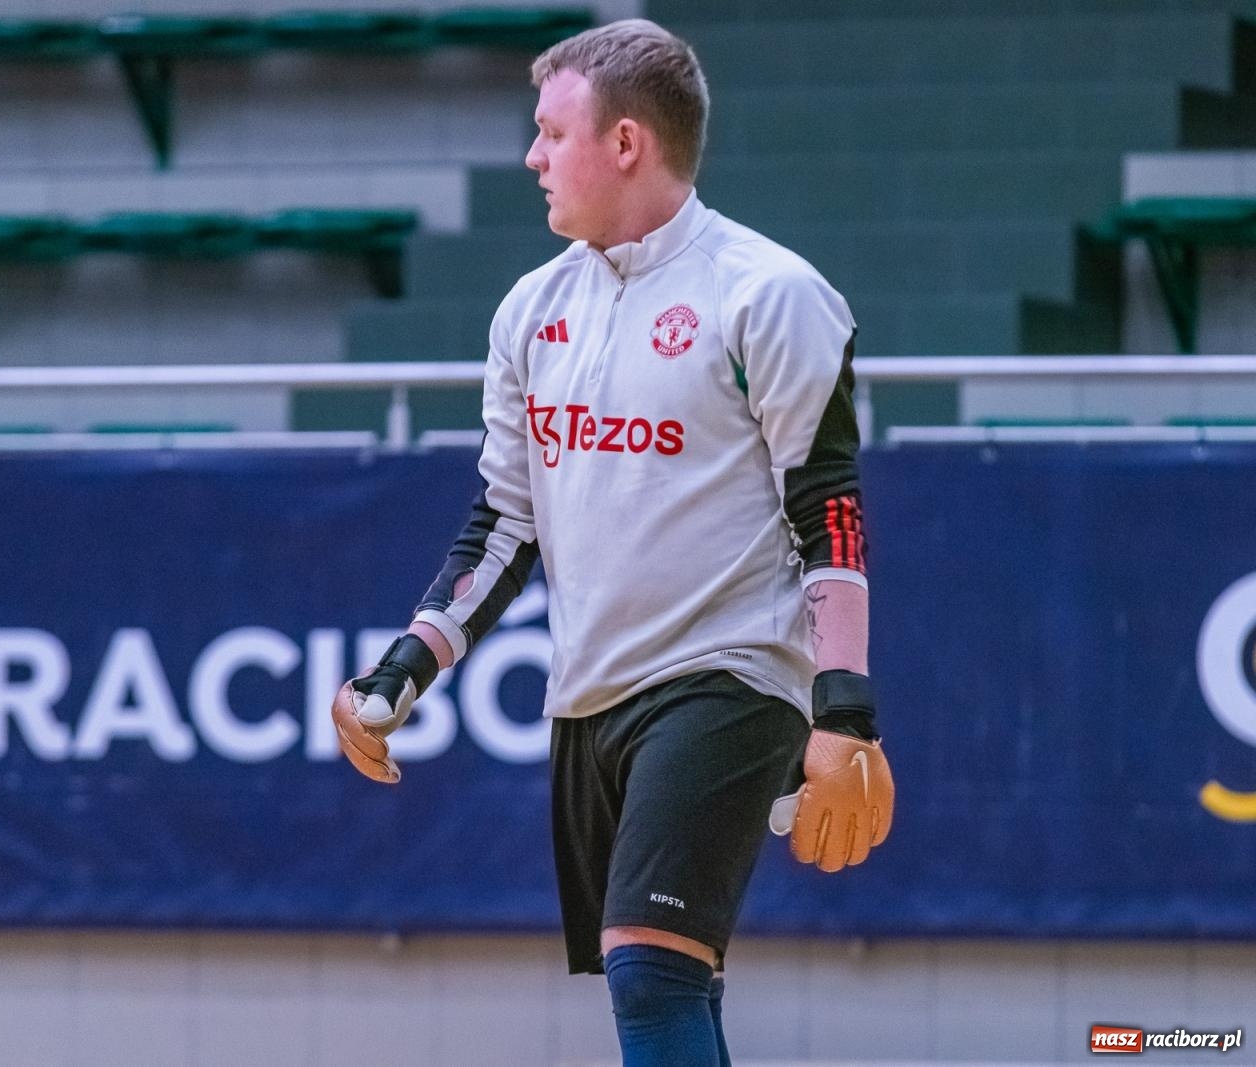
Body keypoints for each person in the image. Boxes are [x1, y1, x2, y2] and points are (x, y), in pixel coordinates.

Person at [332, 18, 895, 1067]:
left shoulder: (769, 294)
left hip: (730, 672)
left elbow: (830, 509)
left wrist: (844, 711)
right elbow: (505, 521)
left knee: (650, 968)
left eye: (552, 132)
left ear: (625, 142)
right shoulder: (529, 310)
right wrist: (407, 665)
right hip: (589, 692)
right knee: (671, 978)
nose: (532, 157)